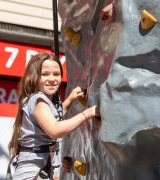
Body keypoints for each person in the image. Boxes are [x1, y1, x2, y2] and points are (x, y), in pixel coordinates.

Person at [8, 52, 100, 180]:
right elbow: (54, 130)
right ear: (34, 77)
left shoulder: (41, 100)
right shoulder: (39, 100)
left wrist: (69, 100)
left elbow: (52, 117)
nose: (52, 78)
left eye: (56, 74)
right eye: (45, 74)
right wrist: (87, 114)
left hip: (40, 170)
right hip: (32, 174)